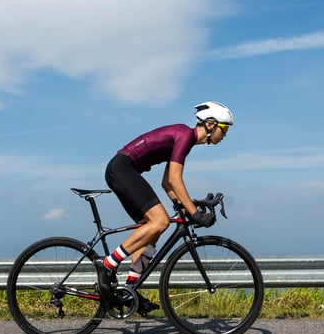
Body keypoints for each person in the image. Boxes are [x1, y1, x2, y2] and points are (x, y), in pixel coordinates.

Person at [99, 101, 234, 316]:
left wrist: (188, 204)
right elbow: (174, 178)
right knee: (160, 221)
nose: (225, 134)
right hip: (122, 169)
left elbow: (167, 183)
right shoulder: (185, 136)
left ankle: (129, 290)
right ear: (210, 124)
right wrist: (195, 214)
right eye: (224, 128)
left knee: (152, 230)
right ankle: (108, 264)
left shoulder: (184, 140)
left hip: (123, 170)